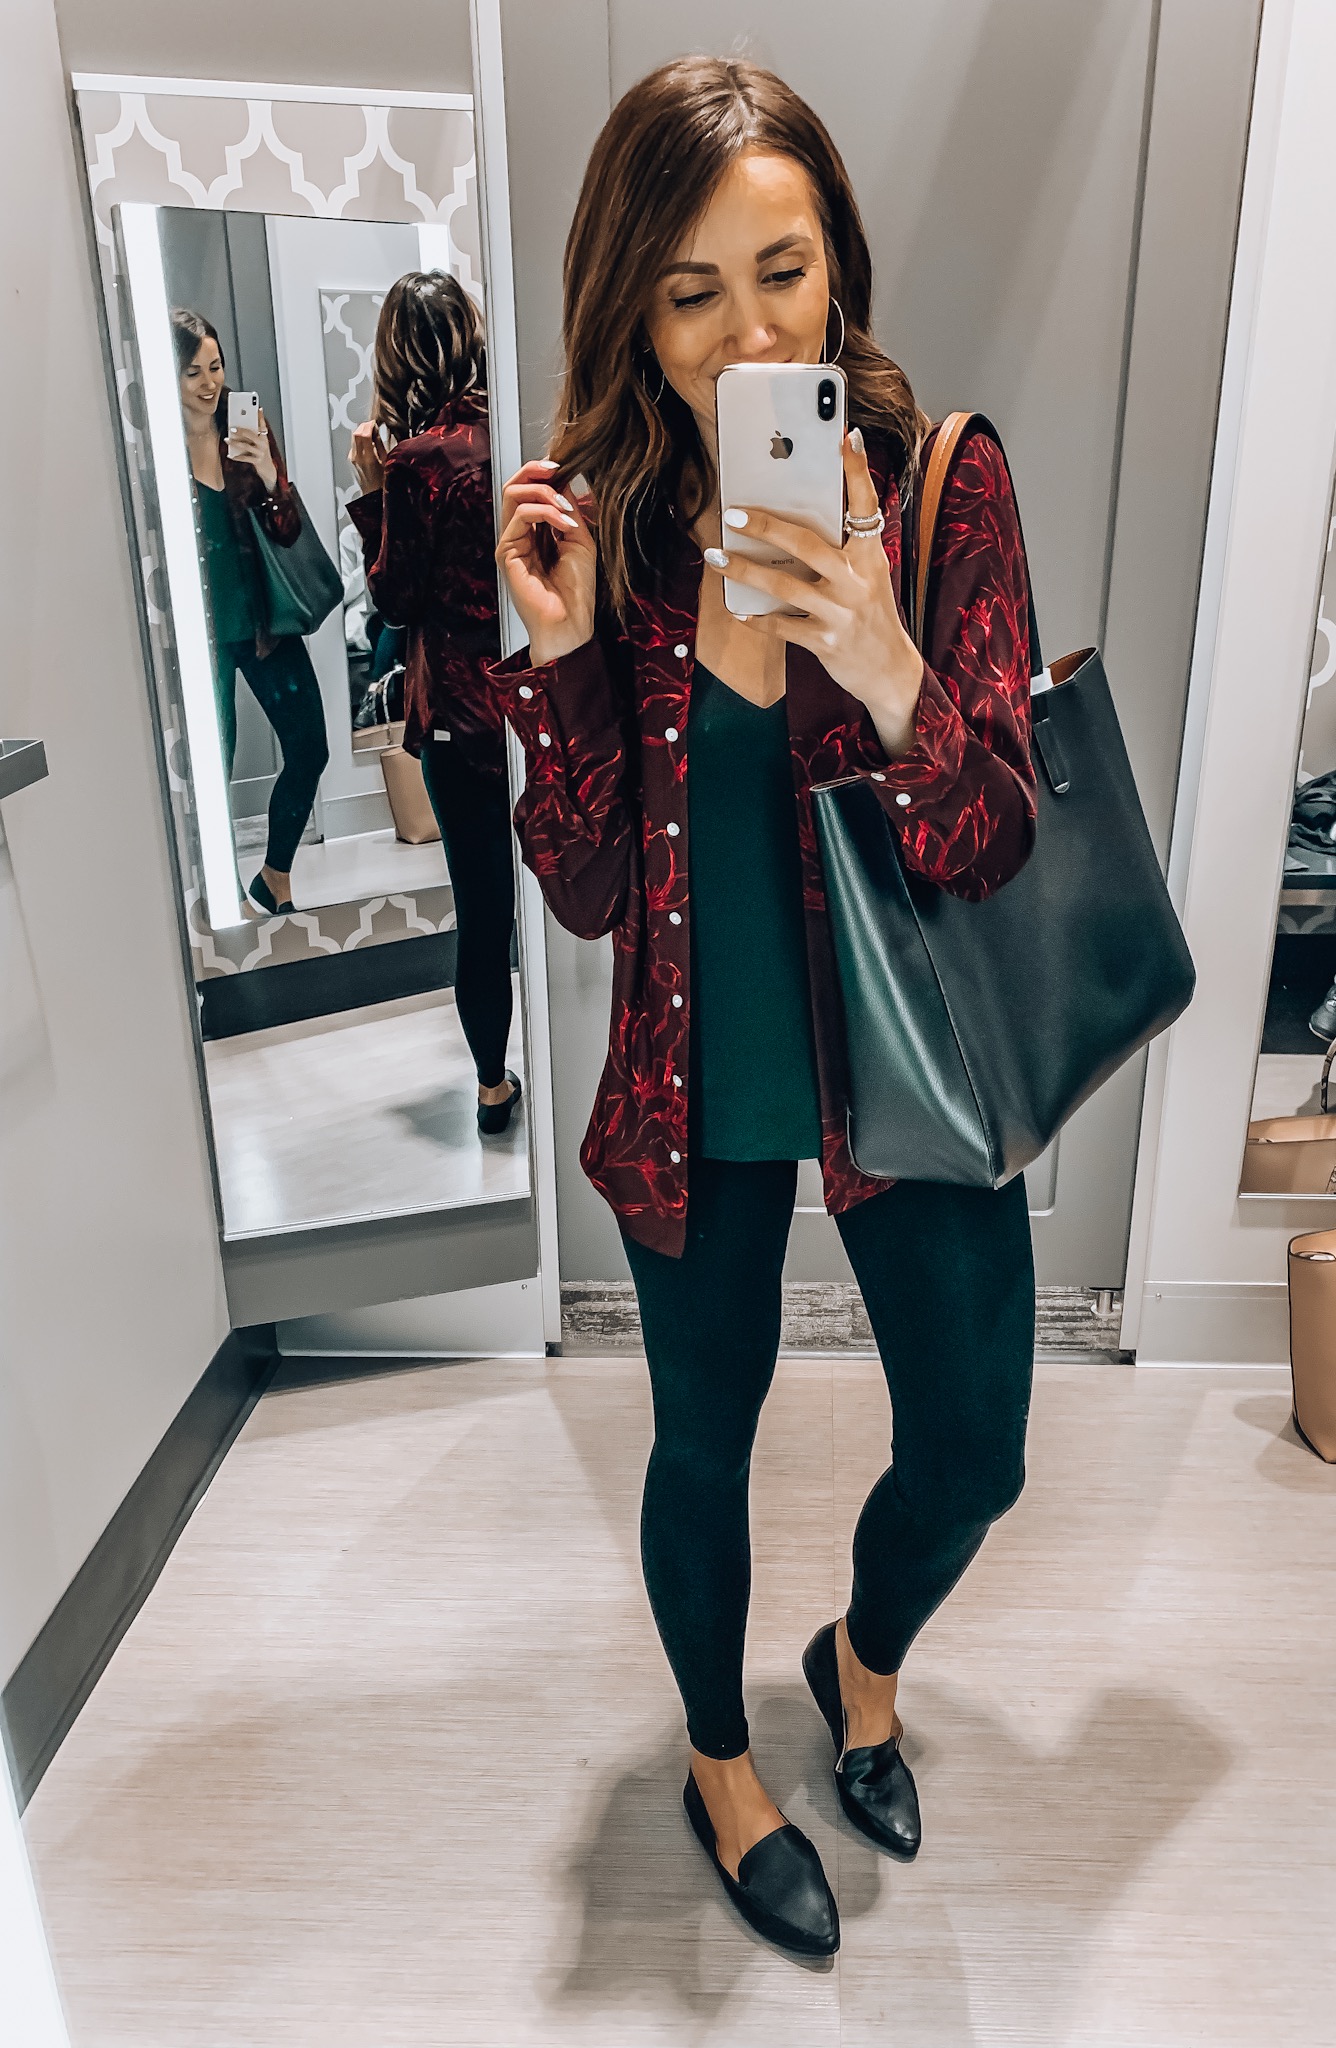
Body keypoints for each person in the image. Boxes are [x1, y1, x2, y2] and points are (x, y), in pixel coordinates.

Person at [493, 58, 1037, 1957]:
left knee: (975, 1444)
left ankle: (859, 1656)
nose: (747, 332)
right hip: (694, 1067)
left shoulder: (943, 485)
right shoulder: (615, 529)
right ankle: (724, 1758)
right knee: (700, 1437)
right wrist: (561, 666)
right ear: (631, 302)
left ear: (839, 267)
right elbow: (574, 886)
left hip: (904, 1062)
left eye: (782, 272)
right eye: (692, 290)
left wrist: (886, 665)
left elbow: (990, 839)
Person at [347, 273, 520, 1136]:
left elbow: (396, 600)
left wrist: (372, 494)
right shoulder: (512, 429)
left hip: (459, 715)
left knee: (482, 907)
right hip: (532, 703)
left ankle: (492, 1084)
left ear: (397, 353)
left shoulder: (416, 464)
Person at [173, 309, 330, 917]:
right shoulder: (152, 447)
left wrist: (267, 472)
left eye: (215, 366)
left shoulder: (245, 423)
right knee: (210, 772)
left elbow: (286, 528)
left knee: (310, 747)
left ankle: (275, 876)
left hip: (265, 622)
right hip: (201, 636)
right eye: (193, 373)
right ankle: (216, 897)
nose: (211, 383)